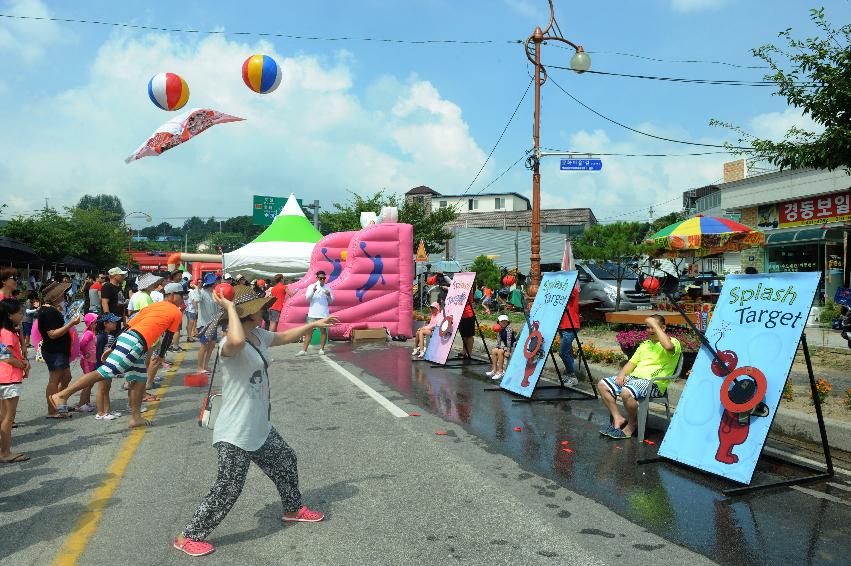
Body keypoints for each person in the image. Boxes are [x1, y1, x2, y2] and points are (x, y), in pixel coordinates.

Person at [173, 286, 337, 557]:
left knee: (286, 460)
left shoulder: (258, 335)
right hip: (236, 430)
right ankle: (188, 536)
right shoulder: (229, 344)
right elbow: (236, 341)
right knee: (228, 487)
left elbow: (283, 337)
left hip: (259, 426)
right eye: (260, 307)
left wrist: (316, 324)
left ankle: (293, 509)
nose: (265, 310)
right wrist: (228, 308)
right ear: (247, 315)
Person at [50, 283, 186, 429]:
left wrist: (113, 346)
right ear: (172, 295)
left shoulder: (152, 306)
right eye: (182, 295)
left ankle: (135, 418)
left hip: (130, 339)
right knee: (105, 371)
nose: (183, 298)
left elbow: (128, 326)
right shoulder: (176, 312)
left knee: (139, 379)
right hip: (136, 343)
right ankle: (63, 395)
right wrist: (160, 356)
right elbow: (168, 337)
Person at [598, 315, 681, 439]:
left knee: (626, 392)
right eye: (647, 327)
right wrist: (621, 374)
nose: (649, 330)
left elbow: (668, 347)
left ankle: (632, 424)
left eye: (653, 327)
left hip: (654, 383)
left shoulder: (673, 341)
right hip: (634, 379)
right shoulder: (645, 344)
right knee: (602, 384)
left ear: (663, 328)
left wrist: (655, 325)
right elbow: (632, 363)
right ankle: (618, 418)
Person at [38, 282, 78, 419]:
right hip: (54, 350)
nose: (64, 295)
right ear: (56, 296)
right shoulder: (49, 311)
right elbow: (52, 333)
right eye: (62, 293)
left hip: (58, 349)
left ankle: (60, 402)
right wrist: (71, 323)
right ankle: (52, 410)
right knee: (54, 380)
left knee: (66, 377)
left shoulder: (50, 309)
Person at [0, 298, 30, 463]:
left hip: (4, 377)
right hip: (9, 378)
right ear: (10, 316)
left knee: (3, 416)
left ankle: (4, 449)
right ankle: (5, 452)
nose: (22, 315)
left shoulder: (6, 331)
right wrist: (23, 365)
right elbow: (7, 358)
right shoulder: (8, 334)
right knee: (8, 417)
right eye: (19, 313)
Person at [93, 313, 122, 421]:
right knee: (101, 389)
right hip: (102, 367)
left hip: (108, 366)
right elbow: (98, 354)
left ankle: (107, 410)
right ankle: (100, 412)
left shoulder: (110, 335)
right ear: (105, 324)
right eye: (113, 322)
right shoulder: (101, 337)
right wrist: (100, 367)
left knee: (107, 389)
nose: (116, 323)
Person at [299, 271, 333, 356]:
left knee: (323, 332)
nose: (322, 279)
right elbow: (307, 298)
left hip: (323, 314)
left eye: (324, 278)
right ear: (317, 278)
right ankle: (304, 350)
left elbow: (331, 301)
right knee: (309, 333)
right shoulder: (311, 286)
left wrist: (329, 295)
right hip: (312, 314)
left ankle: (322, 349)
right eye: (320, 278)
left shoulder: (328, 288)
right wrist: (313, 291)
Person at [73, 313, 99, 413]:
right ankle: (81, 404)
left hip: (92, 361)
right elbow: (81, 344)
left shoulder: (91, 332)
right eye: (94, 323)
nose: (96, 324)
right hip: (88, 361)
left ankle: (86, 402)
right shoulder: (88, 333)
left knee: (91, 383)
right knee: (87, 383)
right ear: (90, 323)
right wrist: (84, 354)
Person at [557, 285, 581, 387]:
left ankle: (572, 376)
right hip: (563, 326)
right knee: (567, 352)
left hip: (570, 326)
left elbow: (563, 294)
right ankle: (569, 374)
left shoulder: (572, 289)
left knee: (563, 353)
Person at [196, 273, 219, 374]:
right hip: (204, 324)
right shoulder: (202, 292)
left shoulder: (213, 292)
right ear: (211, 283)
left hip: (213, 323)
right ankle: (199, 367)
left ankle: (205, 365)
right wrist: (197, 288)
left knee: (212, 345)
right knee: (204, 345)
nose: (217, 283)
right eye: (215, 281)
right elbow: (197, 299)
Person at [486, 314, 516, 380]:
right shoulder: (499, 328)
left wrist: (508, 351)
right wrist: (498, 346)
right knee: (494, 350)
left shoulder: (509, 328)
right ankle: (494, 370)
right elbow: (498, 340)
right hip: (506, 346)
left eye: (505, 321)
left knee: (500, 351)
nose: (503, 323)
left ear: (508, 322)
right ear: (498, 322)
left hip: (512, 346)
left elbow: (509, 341)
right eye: (502, 321)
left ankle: (500, 371)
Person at [457, 287, 475, 359]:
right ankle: (464, 351)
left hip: (468, 313)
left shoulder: (468, 285)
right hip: (461, 314)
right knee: (463, 335)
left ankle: (469, 352)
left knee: (469, 335)